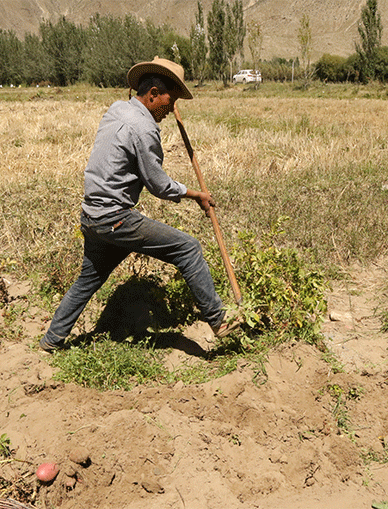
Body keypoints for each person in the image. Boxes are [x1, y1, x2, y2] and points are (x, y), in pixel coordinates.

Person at [40, 57, 240, 352]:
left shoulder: (117, 108)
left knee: (88, 280)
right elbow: (158, 184)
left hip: (92, 216)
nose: (172, 109)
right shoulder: (144, 128)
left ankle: (51, 340)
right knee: (187, 247)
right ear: (154, 93)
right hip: (115, 218)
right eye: (170, 101)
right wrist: (195, 195)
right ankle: (219, 320)